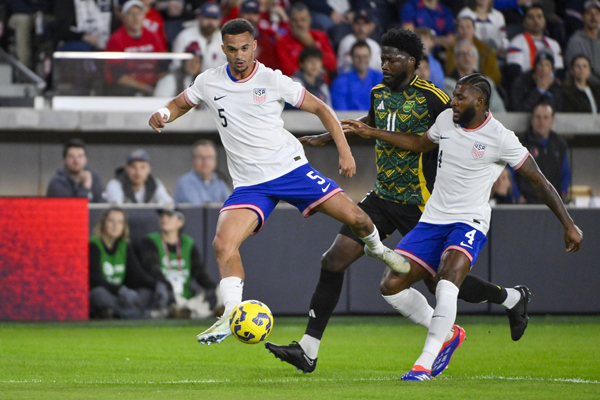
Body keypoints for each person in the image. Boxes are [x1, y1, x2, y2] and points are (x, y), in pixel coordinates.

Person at [265, 29, 536, 374]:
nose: (385, 66)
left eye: (392, 59)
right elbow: (372, 123)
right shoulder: (378, 92)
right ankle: (308, 349)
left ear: (413, 62)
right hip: (382, 196)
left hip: (422, 203)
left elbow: (436, 138)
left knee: (442, 283)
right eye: (383, 59)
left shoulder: (436, 99)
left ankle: (510, 298)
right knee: (332, 261)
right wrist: (330, 135)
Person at [148, 18, 411, 345]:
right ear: (223, 50)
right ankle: (231, 315)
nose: (239, 55)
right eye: (232, 49)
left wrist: (345, 151)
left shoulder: (273, 80)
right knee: (222, 244)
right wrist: (163, 114)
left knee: (358, 218)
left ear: (254, 46)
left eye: (245, 47)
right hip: (250, 185)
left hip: (291, 172)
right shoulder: (209, 82)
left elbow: (322, 109)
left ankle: (379, 250)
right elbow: (179, 103)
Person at [339, 73, 582, 380]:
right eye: (453, 96)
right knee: (390, 286)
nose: (452, 102)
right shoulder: (445, 120)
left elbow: (539, 181)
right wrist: (371, 131)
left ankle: (423, 365)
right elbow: (418, 143)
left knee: (446, 283)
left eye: (460, 97)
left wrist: (568, 223)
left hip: (470, 221)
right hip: (432, 219)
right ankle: (453, 331)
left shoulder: (500, 137)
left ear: (480, 102)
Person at [137, 207, 220, 318]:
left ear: (180, 222)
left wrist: (210, 288)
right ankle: (200, 312)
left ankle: (186, 312)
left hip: (188, 296)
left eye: (169, 216)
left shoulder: (188, 243)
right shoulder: (151, 241)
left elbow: (199, 272)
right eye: (162, 216)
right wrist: (168, 288)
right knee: (162, 295)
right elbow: (153, 270)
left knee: (221, 290)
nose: (164, 219)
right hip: (168, 294)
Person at [89, 207, 170, 319]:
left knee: (146, 293)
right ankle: (143, 315)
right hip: (107, 293)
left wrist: (157, 285)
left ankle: (121, 314)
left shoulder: (124, 245)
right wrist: (120, 290)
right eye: (111, 221)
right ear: (103, 223)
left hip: (122, 297)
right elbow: (95, 279)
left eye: (120, 222)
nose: (115, 225)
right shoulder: (94, 244)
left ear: (124, 226)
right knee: (98, 294)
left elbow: (137, 275)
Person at [104, 0, 168, 96]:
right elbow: (117, 76)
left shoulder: (153, 36)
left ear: (144, 16)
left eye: (139, 13)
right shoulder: (116, 39)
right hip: (126, 89)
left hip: (152, 86)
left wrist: (157, 86)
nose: (135, 18)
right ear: (123, 16)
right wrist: (146, 88)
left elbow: (163, 66)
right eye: (131, 14)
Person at [513, 103, 571, 204]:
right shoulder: (521, 143)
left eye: (546, 117)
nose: (541, 121)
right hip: (527, 204)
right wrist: (519, 197)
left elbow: (565, 173)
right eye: (538, 117)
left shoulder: (559, 144)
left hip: (553, 205)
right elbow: (510, 173)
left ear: (552, 121)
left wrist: (563, 194)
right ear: (532, 120)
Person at [505, 4, 564, 85]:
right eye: (531, 17)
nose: (536, 20)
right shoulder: (517, 42)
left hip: (551, 87)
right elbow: (514, 73)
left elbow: (559, 71)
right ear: (524, 21)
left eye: (539, 17)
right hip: (526, 86)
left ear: (544, 20)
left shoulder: (554, 44)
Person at [275, 2, 337, 78]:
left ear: (309, 20)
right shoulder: (282, 42)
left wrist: (311, 43)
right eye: (295, 20)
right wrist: (319, 70)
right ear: (290, 22)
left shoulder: (321, 36)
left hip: (321, 85)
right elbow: (288, 71)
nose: (299, 24)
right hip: (297, 85)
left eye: (303, 20)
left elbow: (332, 64)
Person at [443, 40, 506, 112]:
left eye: (470, 53)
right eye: (462, 54)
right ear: (455, 60)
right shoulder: (447, 83)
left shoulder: (487, 82)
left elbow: (498, 108)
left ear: (475, 58)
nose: (466, 57)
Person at [445, 16, 502, 87]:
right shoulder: (452, 49)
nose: (465, 31)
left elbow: (494, 76)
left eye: (468, 27)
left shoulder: (486, 51)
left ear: (474, 29)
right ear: (457, 31)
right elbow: (450, 71)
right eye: (461, 28)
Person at [171, 2, 227, 73]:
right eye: (207, 17)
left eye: (214, 18)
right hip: (188, 80)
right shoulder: (185, 37)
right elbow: (176, 65)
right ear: (199, 17)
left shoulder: (223, 39)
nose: (210, 22)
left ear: (220, 20)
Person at [105, 149, 173, 204]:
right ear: (126, 168)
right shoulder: (116, 183)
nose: (138, 172)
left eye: (142, 167)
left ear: (149, 169)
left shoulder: (154, 183)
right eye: (133, 167)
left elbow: (169, 205)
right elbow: (115, 212)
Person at [331, 40, 384, 111]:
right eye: (357, 56)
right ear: (352, 57)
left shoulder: (381, 79)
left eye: (365, 56)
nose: (361, 60)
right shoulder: (340, 82)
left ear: (370, 57)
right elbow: (341, 112)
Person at [174, 139, 231, 204]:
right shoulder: (184, 182)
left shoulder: (220, 184)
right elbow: (198, 209)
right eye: (201, 157)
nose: (205, 162)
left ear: (215, 161)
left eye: (209, 157)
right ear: (193, 160)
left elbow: (230, 207)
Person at [46, 138, 105, 202]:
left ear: (86, 160)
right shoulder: (57, 183)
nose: (76, 161)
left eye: (80, 156)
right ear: (64, 160)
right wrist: (85, 187)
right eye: (71, 156)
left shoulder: (94, 178)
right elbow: (73, 209)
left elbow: (102, 205)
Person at [6, 0, 52, 68]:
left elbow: (48, 5)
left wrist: (38, 12)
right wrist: (34, 11)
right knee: (24, 20)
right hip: (17, 14)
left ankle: (48, 61)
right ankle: (25, 65)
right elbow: (16, 6)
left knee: (48, 21)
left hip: (39, 13)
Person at [336, 9, 382, 74]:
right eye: (358, 24)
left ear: (371, 26)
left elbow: (380, 69)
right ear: (352, 25)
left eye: (365, 24)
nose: (361, 28)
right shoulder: (347, 41)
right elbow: (346, 69)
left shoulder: (374, 45)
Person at [565, 1, 600, 85]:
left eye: (597, 14)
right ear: (582, 17)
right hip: (586, 87)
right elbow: (577, 71)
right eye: (589, 13)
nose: (593, 17)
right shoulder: (575, 41)